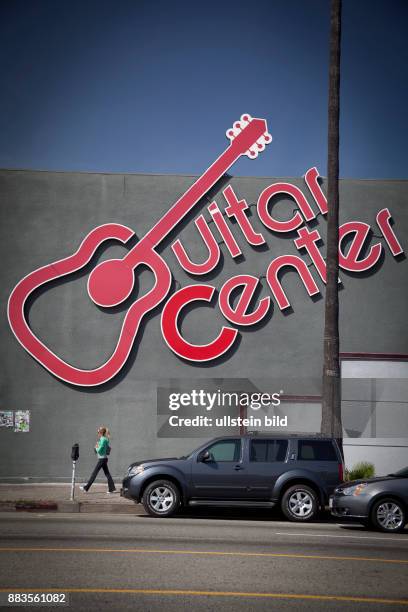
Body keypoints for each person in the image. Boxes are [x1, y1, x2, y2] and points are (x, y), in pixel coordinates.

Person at [80, 426, 117, 494]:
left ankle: (86, 487)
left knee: (94, 473)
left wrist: (96, 447)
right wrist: (98, 445)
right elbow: (107, 440)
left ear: (100, 433)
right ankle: (112, 488)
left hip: (102, 459)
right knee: (107, 474)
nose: (97, 434)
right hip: (104, 459)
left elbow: (99, 450)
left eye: (98, 432)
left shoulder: (102, 439)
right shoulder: (105, 439)